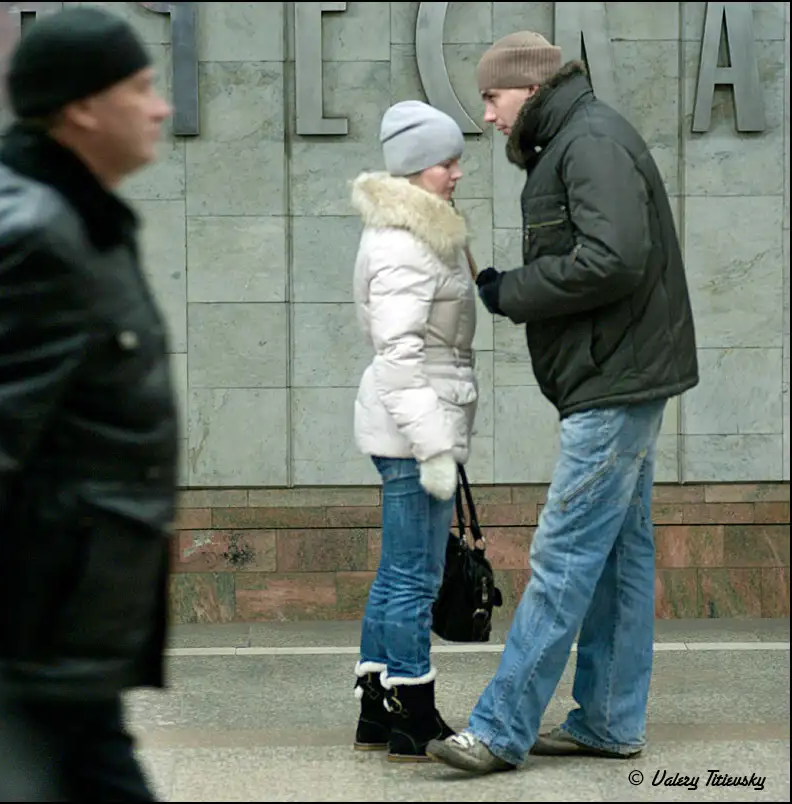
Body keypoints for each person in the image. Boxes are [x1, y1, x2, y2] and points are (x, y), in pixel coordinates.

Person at [426, 32, 699, 774]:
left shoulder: (590, 143)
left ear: (530, 86)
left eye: (492, 97)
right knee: (617, 556)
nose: (487, 115)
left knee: (565, 552)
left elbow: (614, 258)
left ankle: (500, 728)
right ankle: (608, 720)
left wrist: (511, 291)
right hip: (622, 375)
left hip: (613, 381)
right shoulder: (575, 139)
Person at [0, 7, 178, 800]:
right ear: (81, 107)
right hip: (30, 632)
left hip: (63, 630)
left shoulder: (77, 219)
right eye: (140, 88)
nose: (160, 107)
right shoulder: (36, 235)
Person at [349, 100, 479, 762]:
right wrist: (434, 446)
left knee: (400, 571)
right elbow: (399, 357)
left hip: (412, 423)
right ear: (414, 166)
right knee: (415, 577)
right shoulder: (406, 242)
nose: (457, 172)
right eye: (445, 162)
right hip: (412, 433)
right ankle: (413, 712)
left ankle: (376, 706)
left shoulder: (420, 231)